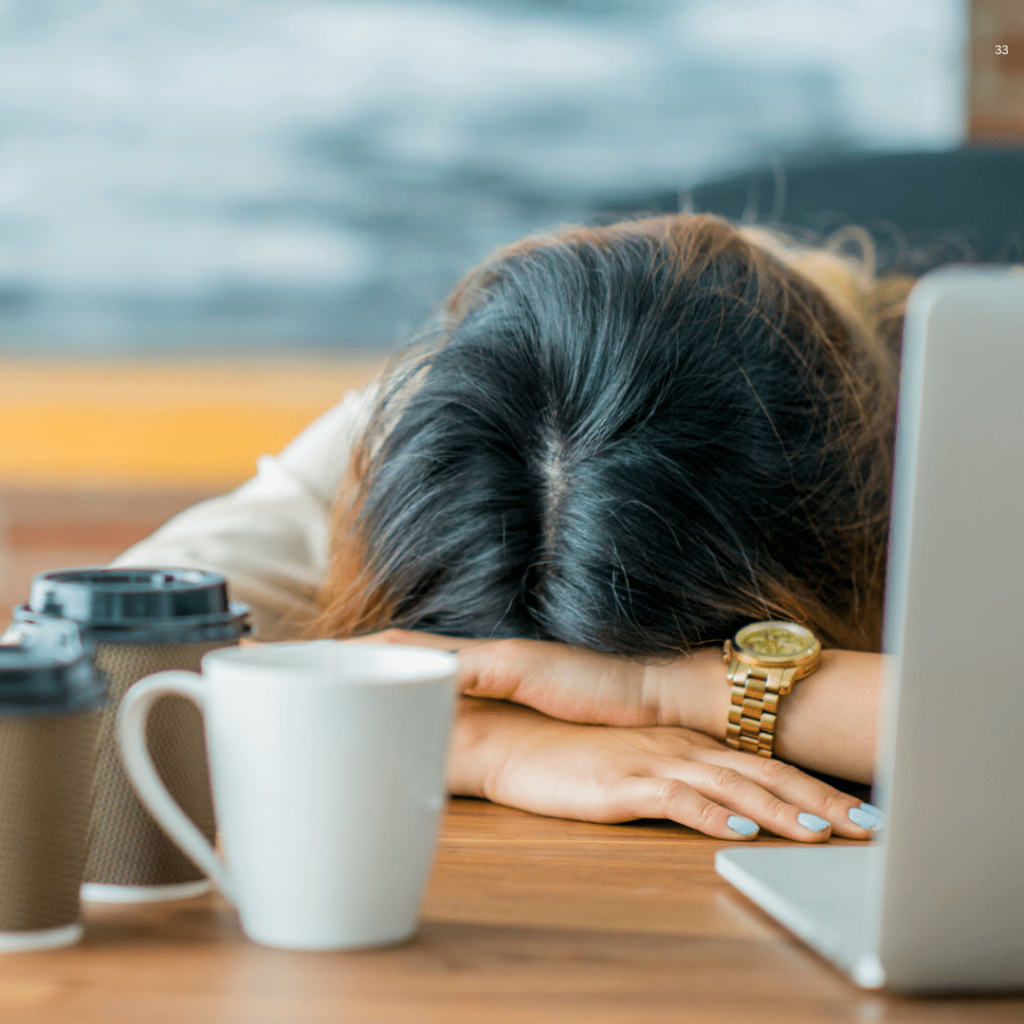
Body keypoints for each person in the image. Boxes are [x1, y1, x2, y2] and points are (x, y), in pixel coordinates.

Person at [114, 213, 911, 843]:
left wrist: (661, 691)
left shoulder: (967, 398)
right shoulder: (446, 419)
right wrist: (478, 743)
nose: (570, 717)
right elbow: (85, 663)